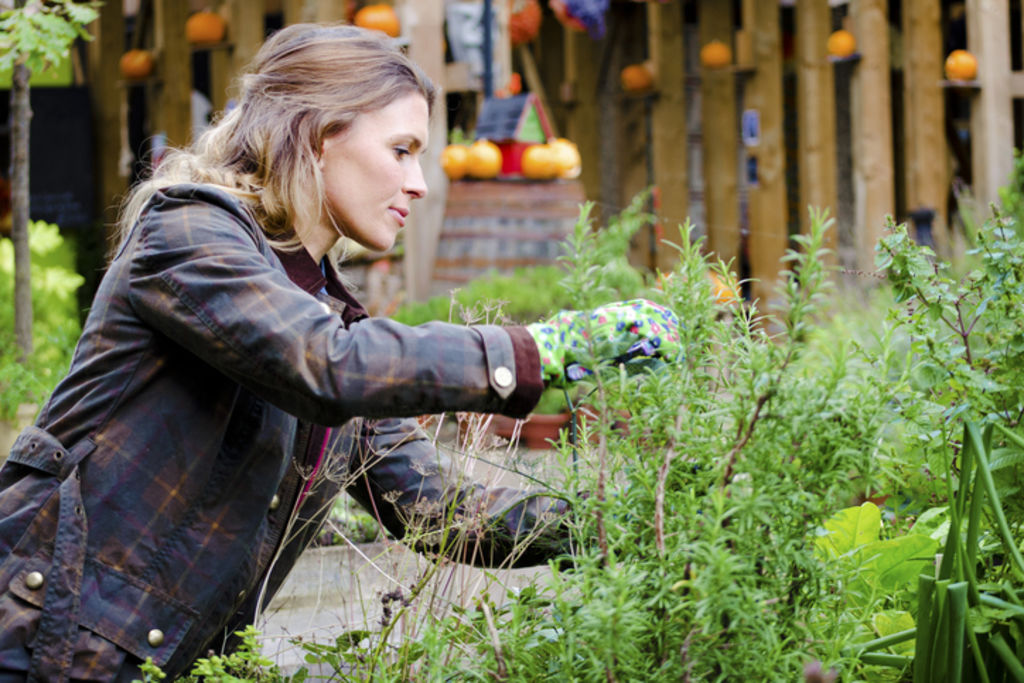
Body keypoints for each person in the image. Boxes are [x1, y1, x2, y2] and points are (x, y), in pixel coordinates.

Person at [0, 23, 681, 681]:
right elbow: (326, 364)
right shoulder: (188, 232)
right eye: (402, 149)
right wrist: (542, 350)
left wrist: (620, 521)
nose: (418, 182)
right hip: (37, 644)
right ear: (322, 137)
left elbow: (433, 506)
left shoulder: (328, 317)